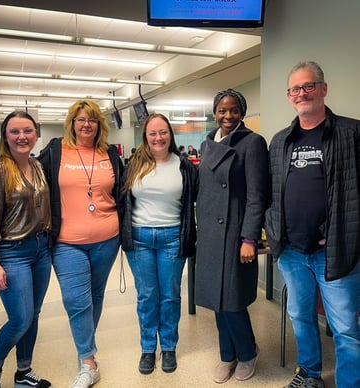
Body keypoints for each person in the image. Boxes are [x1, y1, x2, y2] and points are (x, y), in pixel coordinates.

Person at [265, 61, 360, 388]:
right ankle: (309, 374)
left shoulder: (352, 132)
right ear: (289, 96)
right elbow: (271, 192)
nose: (301, 93)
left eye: (308, 86)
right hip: (291, 251)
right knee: (300, 317)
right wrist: (275, 233)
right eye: (295, 89)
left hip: (336, 251)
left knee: (345, 327)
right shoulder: (280, 141)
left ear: (323, 89)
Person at [38, 100, 124, 388]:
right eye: (80, 119)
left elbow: (121, 192)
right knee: (76, 301)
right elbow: (32, 181)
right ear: (72, 123)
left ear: (100, 125)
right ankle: (89, 361)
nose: (86, 124)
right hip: (66, 242)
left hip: (107, 239)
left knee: (95, 296)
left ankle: (85, 350)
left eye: (92, 120)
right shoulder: (55, 150)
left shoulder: (109, 154)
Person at [0, 111, 52, 388]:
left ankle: (23, 372)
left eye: (28, 130)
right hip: (12, 252)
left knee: (35, 314)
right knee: (20, 318)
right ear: (5, 136)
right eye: (15, 131)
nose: (22, 136)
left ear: (36, 134)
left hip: (41, 250)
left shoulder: (38, 166)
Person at [195, 89, 269, 384]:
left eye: (234, 110)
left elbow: (256, 196)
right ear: (215, 113)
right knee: (217, 299)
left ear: (242, 113)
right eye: (222, 111)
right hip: (211, 234)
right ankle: (227, 355)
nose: (228, 116)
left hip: (236, 232)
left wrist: (250, 238)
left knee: (233, 300)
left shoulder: (252, 143)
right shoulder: (206, 143)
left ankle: (248, 352)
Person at [121, 113, 198, 375]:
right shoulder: (133, 165)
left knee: (169, 296)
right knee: (147, 297)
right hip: (140, 239)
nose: (158, 138)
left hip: (173, 238)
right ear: (145, 137)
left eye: (163, 132)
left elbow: (197, 200)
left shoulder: (184, 166)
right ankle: (146, 349)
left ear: (170, 135)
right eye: (152, 133)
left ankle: (168, 347)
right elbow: (122, 201)